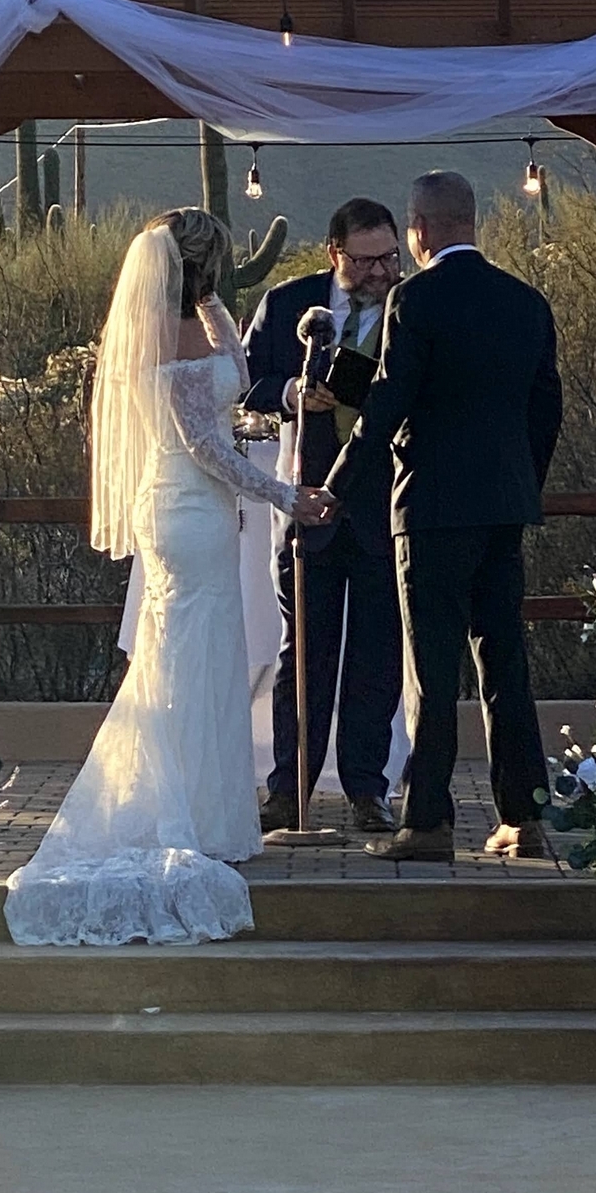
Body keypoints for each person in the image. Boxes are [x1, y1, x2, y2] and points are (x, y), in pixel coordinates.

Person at [4, 210, 333, 947]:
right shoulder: (173, 336)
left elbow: (237, 386)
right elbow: (208, 448)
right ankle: (178, 809)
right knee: (188, 658)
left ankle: (208, 811)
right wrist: (287, 495)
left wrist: (212, 296)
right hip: (190, 510)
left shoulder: (172, 325)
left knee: (196, 655)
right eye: (215, 268)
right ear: (204, 267)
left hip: (187, 507)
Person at [324, 170, 563, 863]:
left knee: (431, 667)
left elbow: (388, 403)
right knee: (505, 664)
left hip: (429, 508)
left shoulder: (414, 301)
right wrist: (522, 484)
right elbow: (546, 408)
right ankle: (525, 817)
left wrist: (339, 486)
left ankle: (427, 821)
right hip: (503, 510)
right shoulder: (525, 302)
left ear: (420, 229)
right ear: (473, 221)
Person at [242, 199, 402, 833]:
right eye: (364, 261)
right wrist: (292, 393)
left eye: (389, 258)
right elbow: (247, 379)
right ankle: (290, 788)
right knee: (301, 651)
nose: (379, 273)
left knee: (376, 653)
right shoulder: (288, 304)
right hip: (306, 501)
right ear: (335, 253)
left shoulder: (410, 306)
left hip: (384, 501)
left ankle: (368, 789)